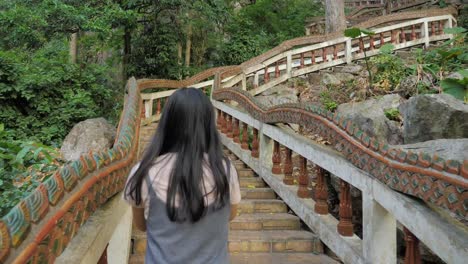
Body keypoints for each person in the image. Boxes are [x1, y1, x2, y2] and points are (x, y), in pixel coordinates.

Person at [123, 87, 241, 264]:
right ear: (208, 124)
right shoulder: (225, 170)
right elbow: (230, 215)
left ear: (167, 123)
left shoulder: (144, 172)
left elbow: (142, 226)